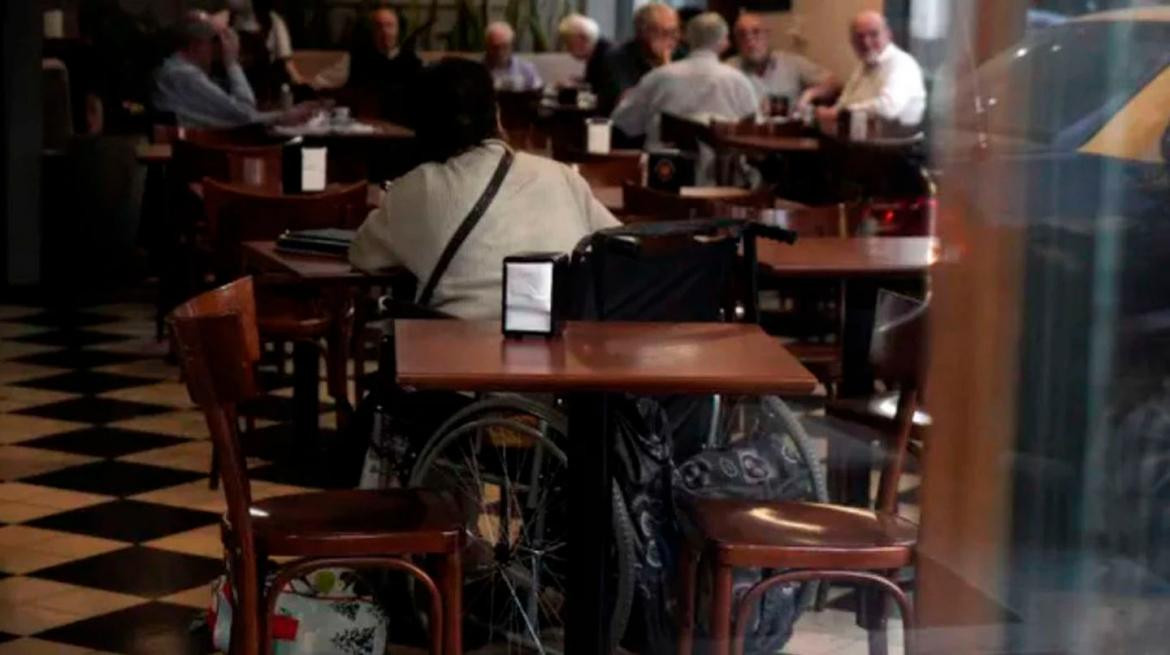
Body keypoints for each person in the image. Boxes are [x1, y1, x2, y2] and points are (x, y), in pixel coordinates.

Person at [350, 58, 619, 319]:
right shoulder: (560, 175)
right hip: (561, 351)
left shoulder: (416, 188)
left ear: (422, 128)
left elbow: (362, 255)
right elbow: (621, 246)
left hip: (457, 354)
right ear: (497, 115)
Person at [611, 12, 758, 145]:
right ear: (724, 42)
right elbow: (754, 129)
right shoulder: (739, 81)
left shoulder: (657, 77)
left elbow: (623, 122)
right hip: (721, 170)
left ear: (687, 38)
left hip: (665, 168)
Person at [152, 16, 312, 128]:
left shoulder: (177, 71)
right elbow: (245, 112)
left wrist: (283, 115)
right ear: (195, 45)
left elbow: (240, 114)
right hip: (201, 160)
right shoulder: (182, 75)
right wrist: (232, 63)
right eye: (212, 43)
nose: (217, 51)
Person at [816, 10, 926, 135]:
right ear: (852, 42)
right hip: (860, 139)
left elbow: (887, 108)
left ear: (888, 35)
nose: (866, 43)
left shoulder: (902, 64)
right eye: (859, 37)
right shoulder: (863, 65)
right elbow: (845, 101)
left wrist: (840, 113)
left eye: (874, 34)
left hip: (892, 146)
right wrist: (829, 112)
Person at [323, 6, 423, 121]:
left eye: (389, 25)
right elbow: (323, 84)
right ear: (372, 31)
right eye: (379, 26)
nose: (384, 31)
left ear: (398, 30)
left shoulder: (412, 61)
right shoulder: (356, 58)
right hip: (365, 122)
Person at [726, 12, 839, 113]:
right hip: (746, 132)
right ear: (736, 41)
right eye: (742, 35)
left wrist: (809, 95)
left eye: (756, 32)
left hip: (788, 132)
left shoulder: (792, 63)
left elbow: (833, 83)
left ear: (767, 34)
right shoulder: (728, 70)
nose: (749, 40)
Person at [590, 3, 680, 115]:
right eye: (665, 32)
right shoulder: (618, 56)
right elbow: (626, 102)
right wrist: (664, 69)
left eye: (675, 31)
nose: (673, 38)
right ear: (642, 32)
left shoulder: (681, 54)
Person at [215, 0, 305, 90]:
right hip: (233, 84)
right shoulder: (222, 20)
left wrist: (301, 85)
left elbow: (287, 64)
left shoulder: (274, 21)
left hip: (264, 87)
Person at [483, 21, 543, 92]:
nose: (500, 52)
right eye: (495, 47)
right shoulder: (477, 70)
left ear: (511, 46)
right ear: (487, 47)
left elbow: (538, 92)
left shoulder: (526, 68)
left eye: (505, 46)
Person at [559, 13, 611, 88]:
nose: (567, 49)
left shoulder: (609, 56)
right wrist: (576, 82)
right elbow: (592, 81)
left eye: (568, 43)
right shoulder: (596, 52)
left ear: (583, 38)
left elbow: (602, 89)